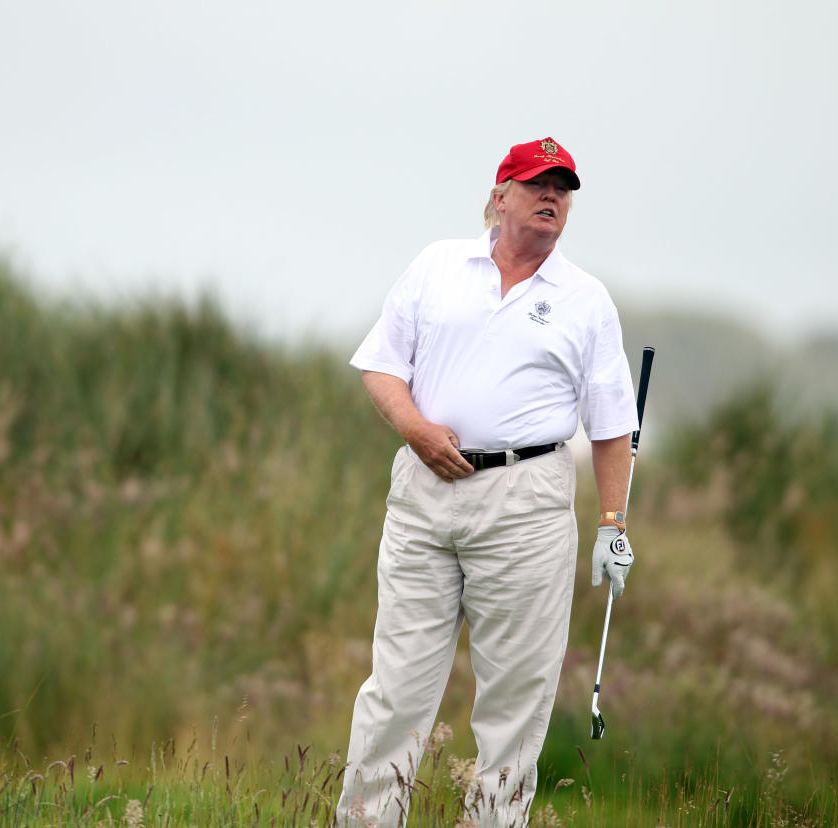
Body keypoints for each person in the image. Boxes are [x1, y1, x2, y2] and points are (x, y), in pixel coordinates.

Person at [335, 137, 640, 827]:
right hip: (424, 492)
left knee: (515, 704)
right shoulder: (437, 266)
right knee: (397, 691)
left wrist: (613, 526)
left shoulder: (585, 300)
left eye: (563, 189)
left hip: (527, 501)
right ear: (499, 196)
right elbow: (382, 366)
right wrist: (415, 427)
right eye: (538, 185)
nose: (552, 198)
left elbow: (612, 425)